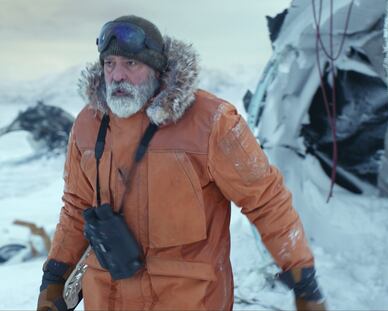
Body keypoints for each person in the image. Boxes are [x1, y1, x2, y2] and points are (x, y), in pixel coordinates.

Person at [37, 15, 326, 311]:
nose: (117, 76)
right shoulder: (89, 124)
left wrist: (303, 279)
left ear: (156, 67)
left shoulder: (212, 122)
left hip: (188, 300)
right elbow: (76, 206)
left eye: (130, 64)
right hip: (106, 299)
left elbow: (266, 201)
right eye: (109, 64)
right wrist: (54, 276)